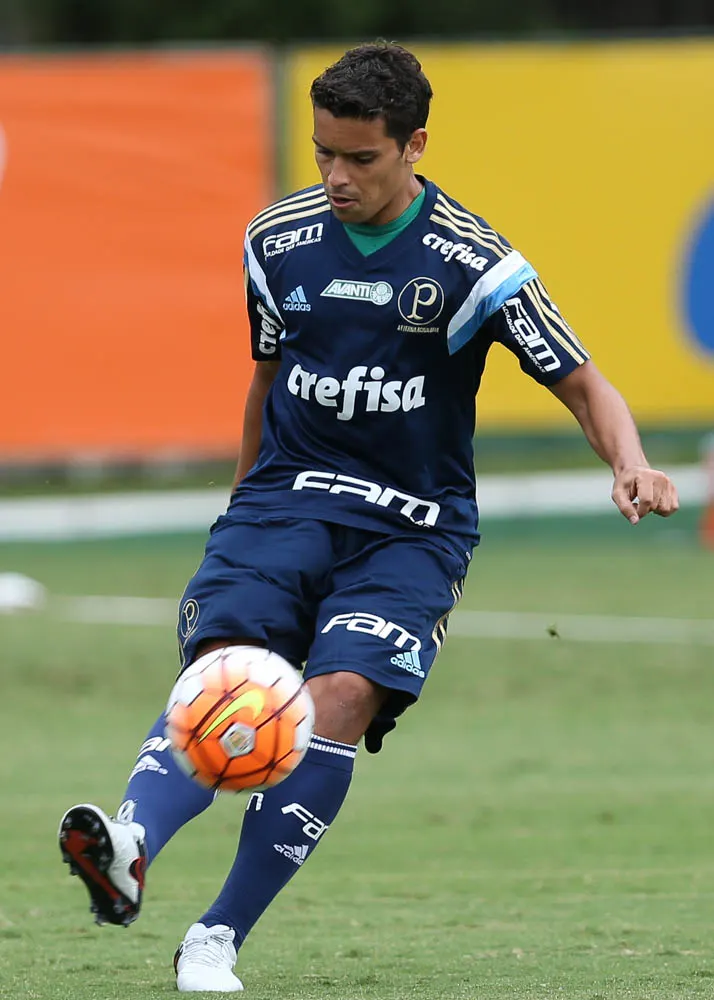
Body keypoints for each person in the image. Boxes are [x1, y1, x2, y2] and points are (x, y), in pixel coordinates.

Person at [58, 41, 679, 993]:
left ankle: (216, 935)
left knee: (340, 698)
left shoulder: (476, 267)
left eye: (360, 158)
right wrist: (241, 506)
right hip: (284, 499)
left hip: (413, 526)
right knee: (231, 670)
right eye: (322, 156)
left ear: (414, 145)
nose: (336, 178)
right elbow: (267, 380)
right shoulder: (276, 243)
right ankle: (133, 843)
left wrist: (631, 463)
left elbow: (583, 380)